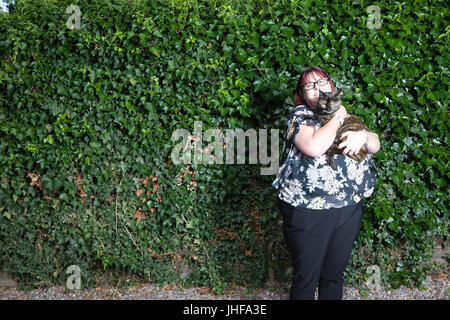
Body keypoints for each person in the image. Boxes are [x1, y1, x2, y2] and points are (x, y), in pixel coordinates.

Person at [272, 66, 380, 300]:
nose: (316, 87)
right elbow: (314, 147)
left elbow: (374, 145)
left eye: (321, 82)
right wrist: (339, 115)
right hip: (308, 210)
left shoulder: (345, 116)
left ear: (331, 86)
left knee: (333, 276)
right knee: (306, 278)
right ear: (302, 94)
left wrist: (364, 136)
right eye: (309, 85)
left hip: (347, 207)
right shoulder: (299, 116)